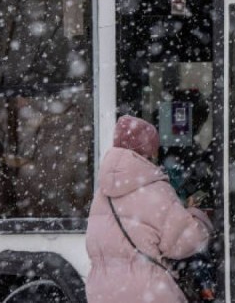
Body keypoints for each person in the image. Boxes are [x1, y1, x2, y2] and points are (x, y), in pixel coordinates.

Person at [86, 115, 213, 303]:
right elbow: (185, 242)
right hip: (147, 293)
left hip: (102, 294)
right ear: (149, 151)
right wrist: (198, 216)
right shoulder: (155, 189)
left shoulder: (102, 193)